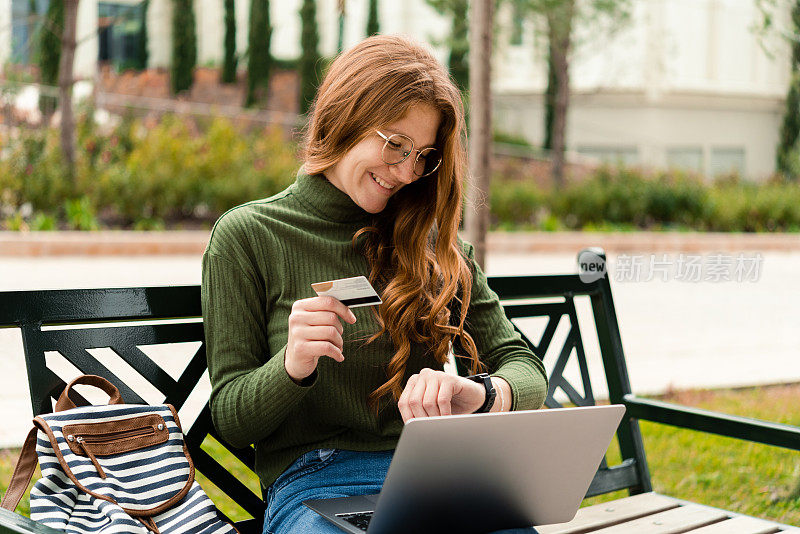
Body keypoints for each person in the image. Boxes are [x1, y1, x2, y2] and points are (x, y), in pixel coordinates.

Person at [201, 34, 548, 534]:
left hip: (433, 477)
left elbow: (526, 369)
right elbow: (231, 420)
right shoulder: (249, 236)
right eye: (396, 145)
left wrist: (480, 392)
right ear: (346, 118)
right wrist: (292, 367)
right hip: (316, 485)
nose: (407, 171)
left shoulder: (433, 247)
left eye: (423, 155)